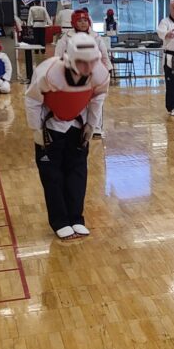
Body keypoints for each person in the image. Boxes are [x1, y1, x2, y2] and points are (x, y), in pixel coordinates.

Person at [25, 32, 109, 240]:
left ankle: (76, 218)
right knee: (52, 176)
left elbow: (98, 98)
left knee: (77, 173)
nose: (87, 68)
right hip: (50, 127)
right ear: (69, 59)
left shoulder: (100, 74)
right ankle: (60, 221)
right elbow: (33, 100)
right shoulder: (49, 72)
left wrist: (91, 125)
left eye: (92, 62)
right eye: (82, 62)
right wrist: (36, 130)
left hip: (77, 126)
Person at [55, 10, 110, 136]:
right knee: (79, 100)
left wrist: (107, 69)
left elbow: (104, 54)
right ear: (74, 23)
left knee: (97, 101)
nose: (83, 23)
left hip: (95, 74)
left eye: (85, 20)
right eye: (79, 21)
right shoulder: (66, 37)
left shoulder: (95, 36)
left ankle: (96, 127)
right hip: (73, 74)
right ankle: (81, 125)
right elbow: (58, 55)